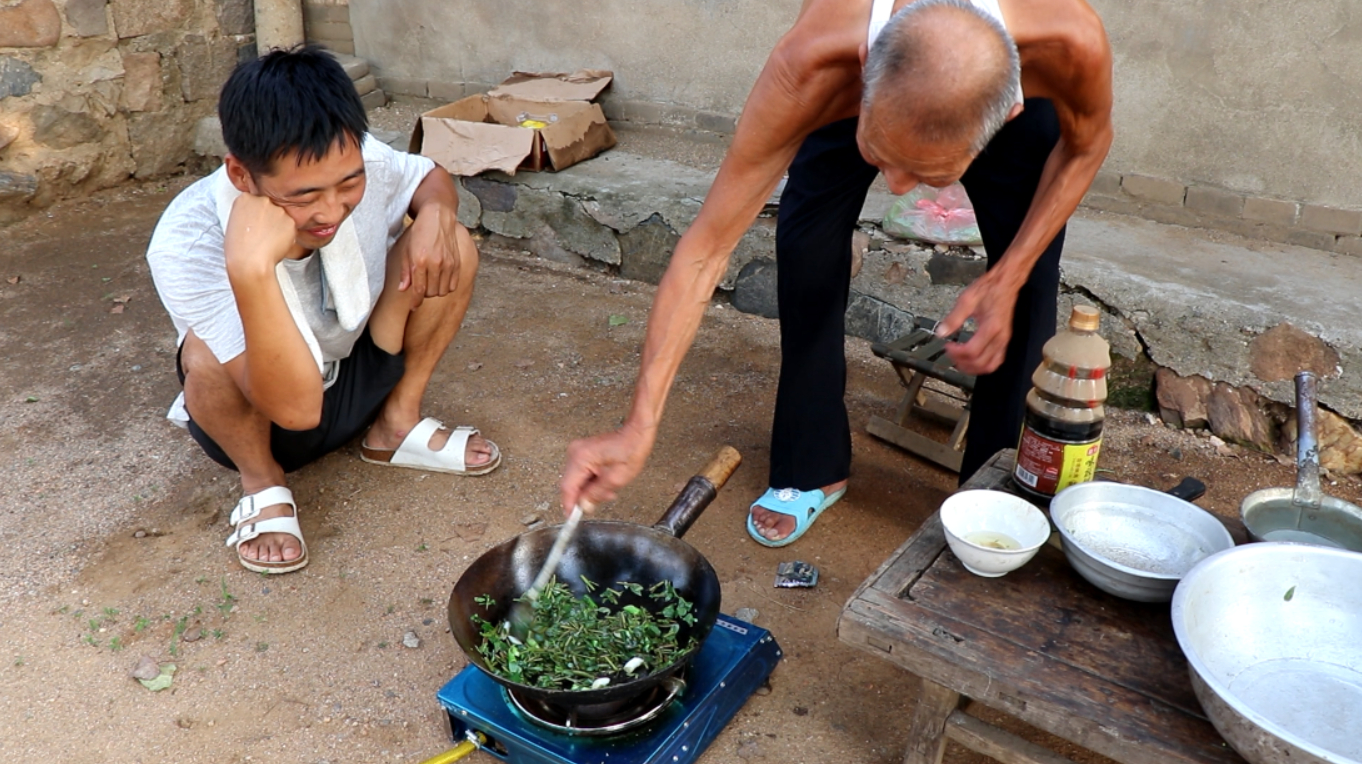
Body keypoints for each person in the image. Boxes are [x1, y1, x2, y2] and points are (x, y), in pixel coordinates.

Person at [560, 0, 1112, 545]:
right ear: (863, 69)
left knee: (1029, 278)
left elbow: (1089, 144)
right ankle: (811, 461)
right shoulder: (812, 66)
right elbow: (705, 250)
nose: (895, 188)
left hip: (986, 84)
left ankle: (991, 500)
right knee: (806, 245)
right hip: (855, 87)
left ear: (1007, 113)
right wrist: (640, 424)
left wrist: (1008, 274)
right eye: (880, 154)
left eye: (925, 174)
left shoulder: (1067, 40)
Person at [147, 46, 499, 574]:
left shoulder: (360, 156)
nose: (331, 210)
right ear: (242, 176)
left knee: (456, 245)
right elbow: (296, 411)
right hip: (270, 415)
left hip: (357, 366)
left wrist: (436, 214)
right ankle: (263, 481)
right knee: (204, 352)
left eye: (349, 184)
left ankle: (394, 426)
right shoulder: (186, 242)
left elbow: (427, 176)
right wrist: (250, 270)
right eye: (306, 195)